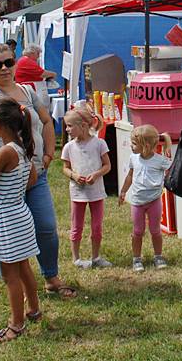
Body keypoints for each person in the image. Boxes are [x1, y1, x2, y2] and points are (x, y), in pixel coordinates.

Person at [0, 43, 76, 298]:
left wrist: (48, 154)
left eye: (8, 62)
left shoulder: (27, 91)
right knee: (8, 233)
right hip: (6, 181)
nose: (4, 68)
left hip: (36, 174)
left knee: (45, 227)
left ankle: (50, 277)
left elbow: (46, 121)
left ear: (15, 62)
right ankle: (13, 283)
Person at [0, 98, 41, 343]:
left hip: (7, 219)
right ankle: (33, 309)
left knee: (9, 275)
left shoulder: (6, 151)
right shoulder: (22, 147)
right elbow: (32, 179)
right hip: (20, 213)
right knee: (23, 266)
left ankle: (16, 325)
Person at [61, 108, 112, 269]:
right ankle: (76, 259)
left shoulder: (99, 143)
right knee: (76, 226)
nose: (67, 129)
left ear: (83, 125)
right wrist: (74, 176)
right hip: (78, 193)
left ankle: (96, 257)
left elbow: (107, 165)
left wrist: (96, 175)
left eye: (70, 126)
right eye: (66, 126)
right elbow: (65, 168)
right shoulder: (69, 147)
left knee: (97, 227)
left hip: (96, 192)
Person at [118, 124, 173, 272]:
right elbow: (130, 176)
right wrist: (123, 192)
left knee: (155, 231)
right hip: (137, 202)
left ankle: (158, 256)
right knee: (138, 231)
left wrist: (168, 154)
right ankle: (136, 259)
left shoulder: (160, 160)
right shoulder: (133, 158)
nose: (131, 146)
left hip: (154, 201)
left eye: (134, 143)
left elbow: (171, 170)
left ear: (146, 146)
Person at [15, 44, 56, 110]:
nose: (38, 56)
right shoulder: (27, 61)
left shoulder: (24, 60)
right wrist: (53, 74)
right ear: (32, 53)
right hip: (31, 90)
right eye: (38, 53)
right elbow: (42, 74)